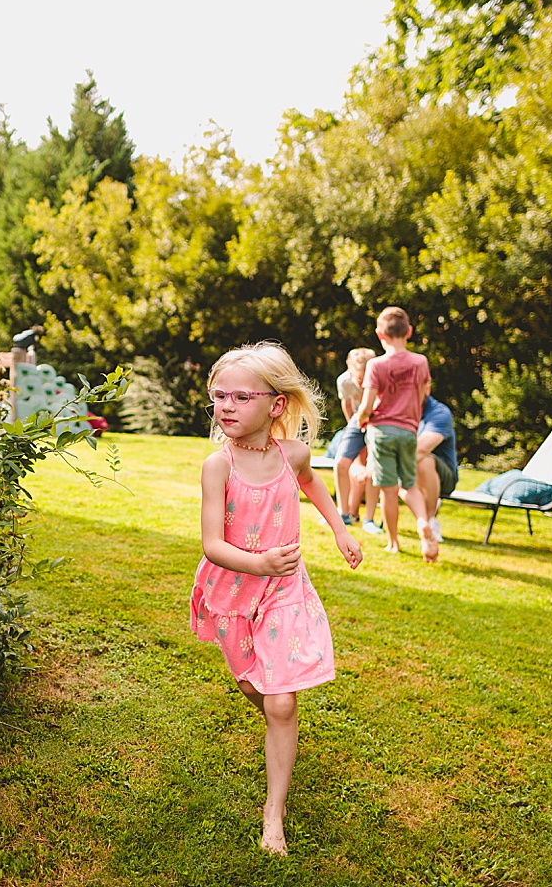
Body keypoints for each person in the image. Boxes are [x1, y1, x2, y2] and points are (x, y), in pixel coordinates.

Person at [191, 341, 363, 856]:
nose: (226, 406)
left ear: (276, 404)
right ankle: (274, 725)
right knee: (259, 692)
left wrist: (340, 530)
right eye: (219, 396)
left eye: (241, 397)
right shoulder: (216, 466)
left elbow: (313, 485)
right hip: (232, 592)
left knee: (282, 702)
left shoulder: (294, 454)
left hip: (285, 588)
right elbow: (212, 545)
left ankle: (274, 814)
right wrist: (257, 562)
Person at [353, 306, 436, 560]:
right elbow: (424, 395)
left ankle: (393, 543)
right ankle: (423, 521)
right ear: (409, 331)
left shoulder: (376, 365)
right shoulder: (420, 362)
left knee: (388, 490)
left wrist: (361, 418)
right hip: (409, 431)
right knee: (409, 485)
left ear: (380, 334)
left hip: (382, 431)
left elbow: (367, 405)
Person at [332, 348, 377, 527]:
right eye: (359, 379)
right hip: (357, 419)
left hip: (378, 420)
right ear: (350, 371)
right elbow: (347, 404)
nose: (362, 383)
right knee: (340, 463)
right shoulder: (343, 381)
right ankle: (343, 514)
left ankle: (369, 519)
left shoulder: (380, 377)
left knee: (373, 467)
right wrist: (354, 426)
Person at [412, 395, 459, 552]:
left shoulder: (439, 413)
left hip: (444, 477)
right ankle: (422, 523)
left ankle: (430, 522)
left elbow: (421, 449)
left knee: (423, 460)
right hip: (410, 471)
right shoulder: (401, 408)